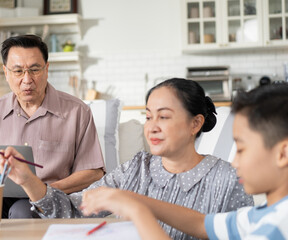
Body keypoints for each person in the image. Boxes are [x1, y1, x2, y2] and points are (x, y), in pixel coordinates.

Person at [0, 78, 253, 238]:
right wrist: (28, 180)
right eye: (148, 116)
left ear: (195, 123)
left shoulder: (228, 179)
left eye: (163, 117)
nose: (151, 127)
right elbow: (71, 211)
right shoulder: (135, 170)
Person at [81, 82, 288, 240]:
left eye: (241, 149)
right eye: (149, 116)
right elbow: (200, 223)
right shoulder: (259, 216)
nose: (234, 162)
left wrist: (137, 210)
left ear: (283, 153)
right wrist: (130, 199)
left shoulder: (276, 227)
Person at [0, 35, 105, 219]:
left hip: (45, 198)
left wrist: (41, 189)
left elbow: (93, 172)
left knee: (22, 210)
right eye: (18, 71)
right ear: (6, 72)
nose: (27, 80)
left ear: (47, 69)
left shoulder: (77, 112)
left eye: (34, 70)